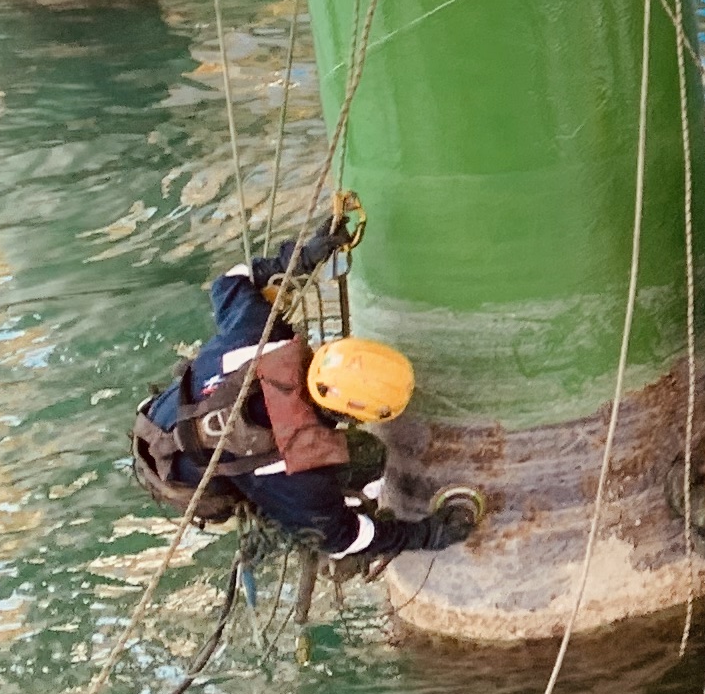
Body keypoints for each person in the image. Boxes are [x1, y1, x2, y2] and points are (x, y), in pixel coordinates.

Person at [130, 197, 481, 564]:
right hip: (181, 476)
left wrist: (300, 260)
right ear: (356, 413)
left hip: (160, 416)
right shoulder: (295, 471)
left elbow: (230, 281)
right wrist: (429, 534)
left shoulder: (262, 337)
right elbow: (344, 540)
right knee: (367, 457)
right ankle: (271, 512)